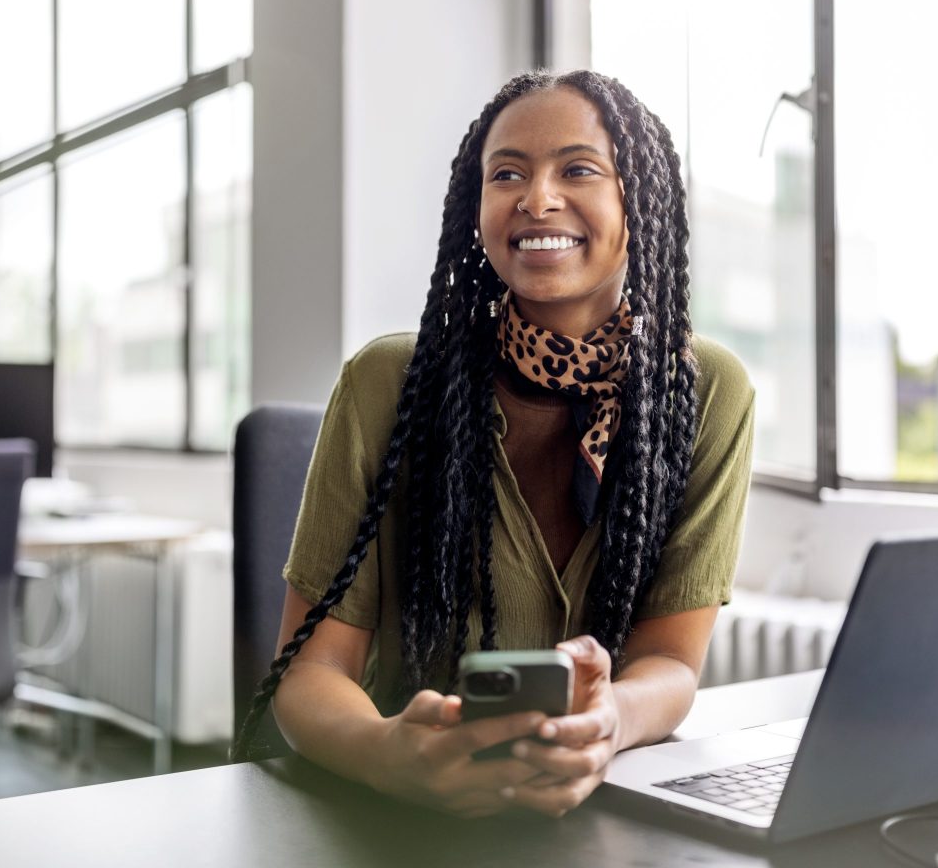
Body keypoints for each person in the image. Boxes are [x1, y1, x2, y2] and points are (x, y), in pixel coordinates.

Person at [232, 69, 755, 820]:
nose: (536, 198)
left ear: (640, 197)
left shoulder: (705, 391)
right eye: (507, 173)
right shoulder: (391, 382)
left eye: (578, 169)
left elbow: (670, 661)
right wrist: (389, 756)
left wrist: (611, 723)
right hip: (398, 816)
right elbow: (309, 672)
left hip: (597, 813)